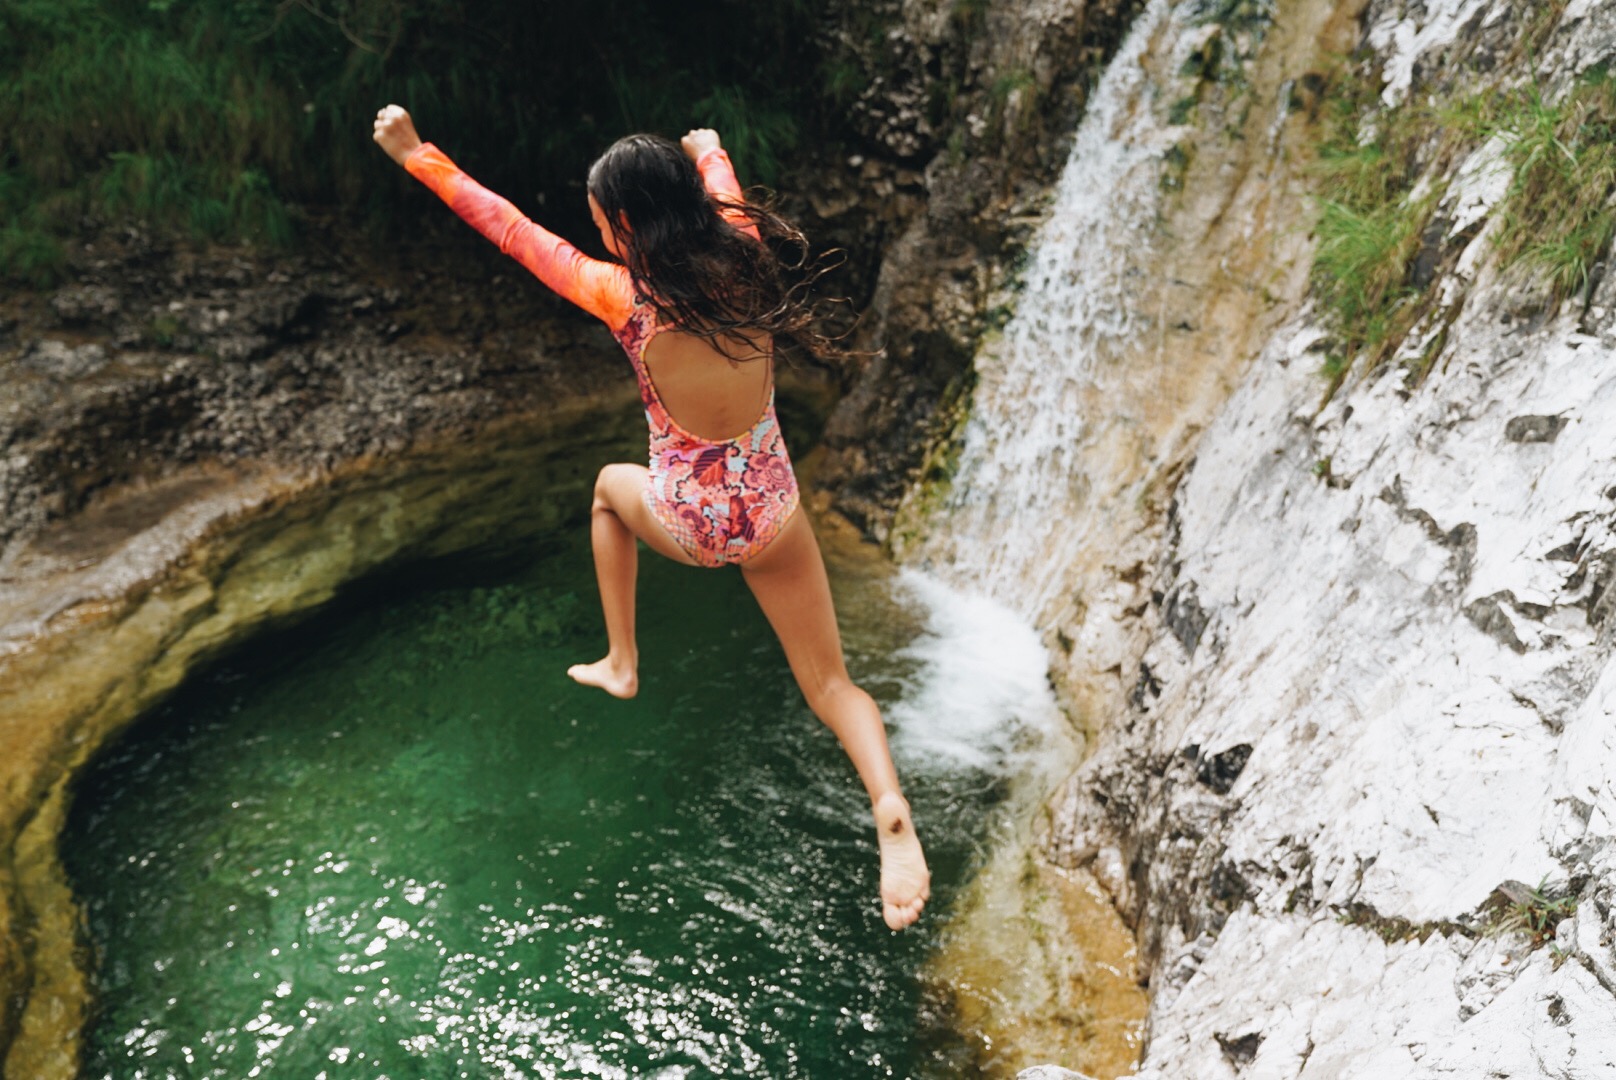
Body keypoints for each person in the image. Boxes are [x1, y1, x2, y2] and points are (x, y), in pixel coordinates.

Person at [372, 105, 929, 930]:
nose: (595, 235)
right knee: (831, 682)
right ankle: (887, 802)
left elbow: (514, 231)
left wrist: (418, 154)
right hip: (772, 512)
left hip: (690, 522)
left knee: (606, 486)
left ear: (624, 225)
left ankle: (623, 659)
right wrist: (710, 152)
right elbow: (728, 194)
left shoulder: (621, 296)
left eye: (600, 223)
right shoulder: (745, 249)